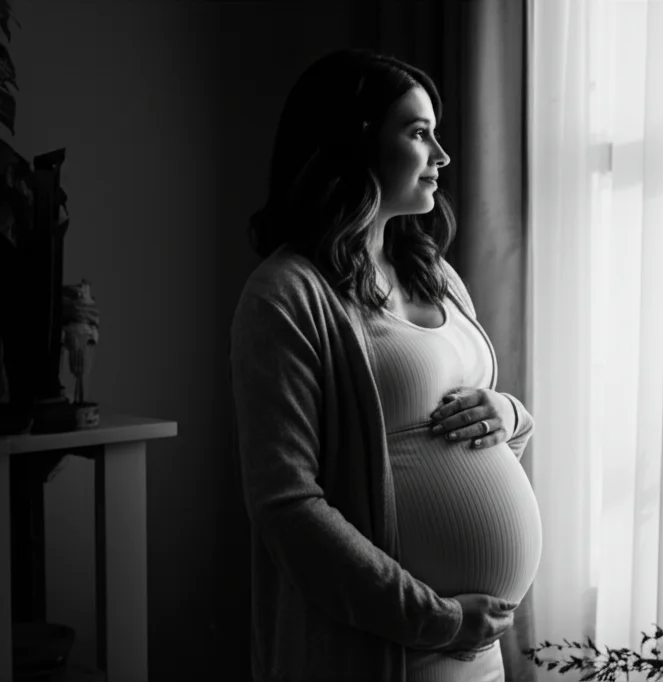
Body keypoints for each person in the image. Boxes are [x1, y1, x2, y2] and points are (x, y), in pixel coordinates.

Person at [230, 47, 543, 682]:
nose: (442, 157)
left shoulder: (437, 274)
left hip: (477, 652)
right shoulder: (286, 293)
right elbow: (287, 507)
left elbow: (480, 429)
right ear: (357, 142)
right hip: (384, 648)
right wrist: (436, 618)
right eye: (419, 133)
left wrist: (508, 414)